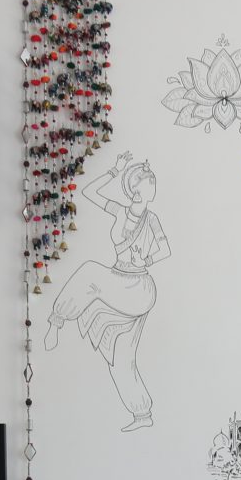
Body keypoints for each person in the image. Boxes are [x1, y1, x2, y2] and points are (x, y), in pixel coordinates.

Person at [46, 152, 169, 431]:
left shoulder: (151, 219)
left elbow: (165, 249)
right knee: (121, 359)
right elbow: (89, 192)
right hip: (117, 282)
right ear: (135, 189)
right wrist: (115, 169)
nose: (153, 186)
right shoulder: (120, 210)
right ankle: (142, 414)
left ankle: (57, 321)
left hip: (138, 287)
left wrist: (146, 259)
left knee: (90, 271)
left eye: (152, 181)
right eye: (148, 182)